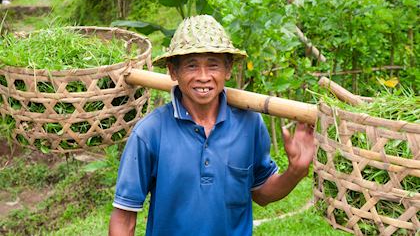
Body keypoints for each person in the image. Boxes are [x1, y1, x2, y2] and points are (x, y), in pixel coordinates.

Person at [109, 15, 315, 236]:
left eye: (213, 65)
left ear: (228, 69)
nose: (204, 77)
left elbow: (262, 193)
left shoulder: (250, 124)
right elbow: (124, 218)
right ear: (173, 71)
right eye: (192, 66)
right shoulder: (150, 133)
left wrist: (295, 172)